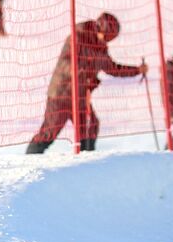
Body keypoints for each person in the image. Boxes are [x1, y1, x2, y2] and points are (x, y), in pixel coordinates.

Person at [25, 13, 146, 153]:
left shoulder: (101, 47)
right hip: (62, 94)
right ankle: (30, 160)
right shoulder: (78, 36)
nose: (106, 41)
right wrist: (85, 75)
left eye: (110, 39)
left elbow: (112, 68)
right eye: (106, 37)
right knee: (49, 131)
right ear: (99, 28)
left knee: (91, 126)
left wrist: (137, 70)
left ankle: (86, 160)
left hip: (81, 95)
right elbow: (66, 63)